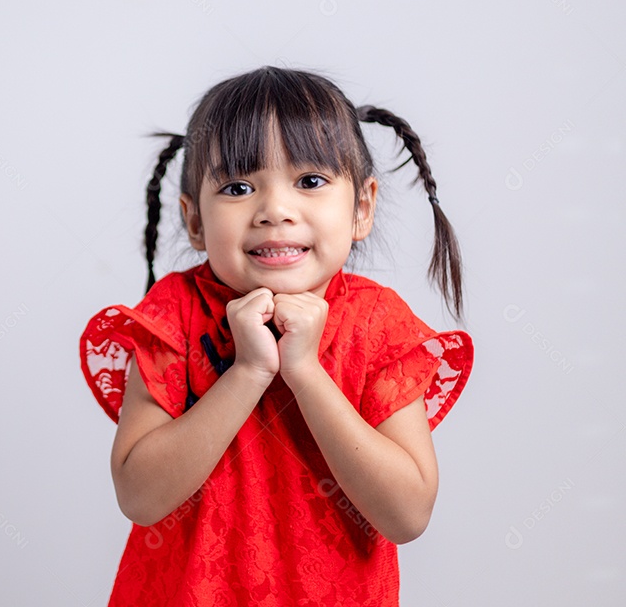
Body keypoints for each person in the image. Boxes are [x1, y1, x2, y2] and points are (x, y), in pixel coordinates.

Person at [78, 66, 474, 605]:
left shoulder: (376, 325)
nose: (274, 212)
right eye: (239, 188)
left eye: (310, 182)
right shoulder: (173, 318)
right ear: (194, 221)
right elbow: (140, 496)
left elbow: (406, 514)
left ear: (361, 207)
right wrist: (247, 372)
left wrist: (305, 372)